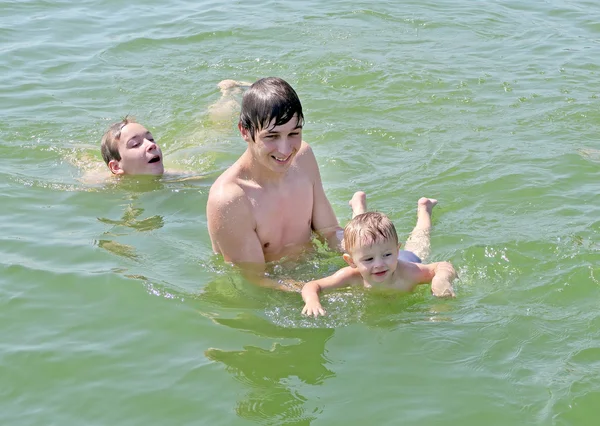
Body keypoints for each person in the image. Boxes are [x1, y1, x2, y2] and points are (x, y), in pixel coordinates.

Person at [206, 77, 342, 277]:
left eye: (294, 133)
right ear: (245, 131)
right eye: (272, 136)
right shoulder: (229, 199)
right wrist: (319, 291)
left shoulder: (303, 158)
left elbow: (330, 232)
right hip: (273, 290)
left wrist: (368, 248)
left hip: (312, 275)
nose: (286, 150)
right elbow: (256, 280)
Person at [301, 193, 456, 317]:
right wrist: (312, 301)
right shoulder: (350, 276)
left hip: (409, 256)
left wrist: (441, 279)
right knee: (359, 234)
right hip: (375, 247)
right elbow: (312, 286)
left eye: (387, 255)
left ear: (396, 250)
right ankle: (358, 205)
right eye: (368, 259)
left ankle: (425, 208)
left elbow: (443, 266)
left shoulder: (410, 272)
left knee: (420, 237)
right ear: (351, 261)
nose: (379, 264)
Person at [98, 80, 250, 177]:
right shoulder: (100, 184)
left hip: (196, 147)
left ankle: (229, 92)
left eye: (150, 139)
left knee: (218, 131)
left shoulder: (176, 177)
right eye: (136, 144)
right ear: (116, 167)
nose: (151, 144)